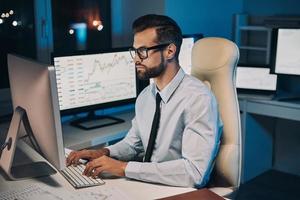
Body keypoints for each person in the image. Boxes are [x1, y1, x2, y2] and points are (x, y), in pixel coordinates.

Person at [66, 14, 223, 188]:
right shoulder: (146, 96)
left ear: (170, 51)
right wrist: (104, 152)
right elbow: (134, 144)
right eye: (134, 51)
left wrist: (124, 168)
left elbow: (194, 172)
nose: (135, 59)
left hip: (179, 190)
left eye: (143, 51)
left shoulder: (198, 99)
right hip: (149, 184)